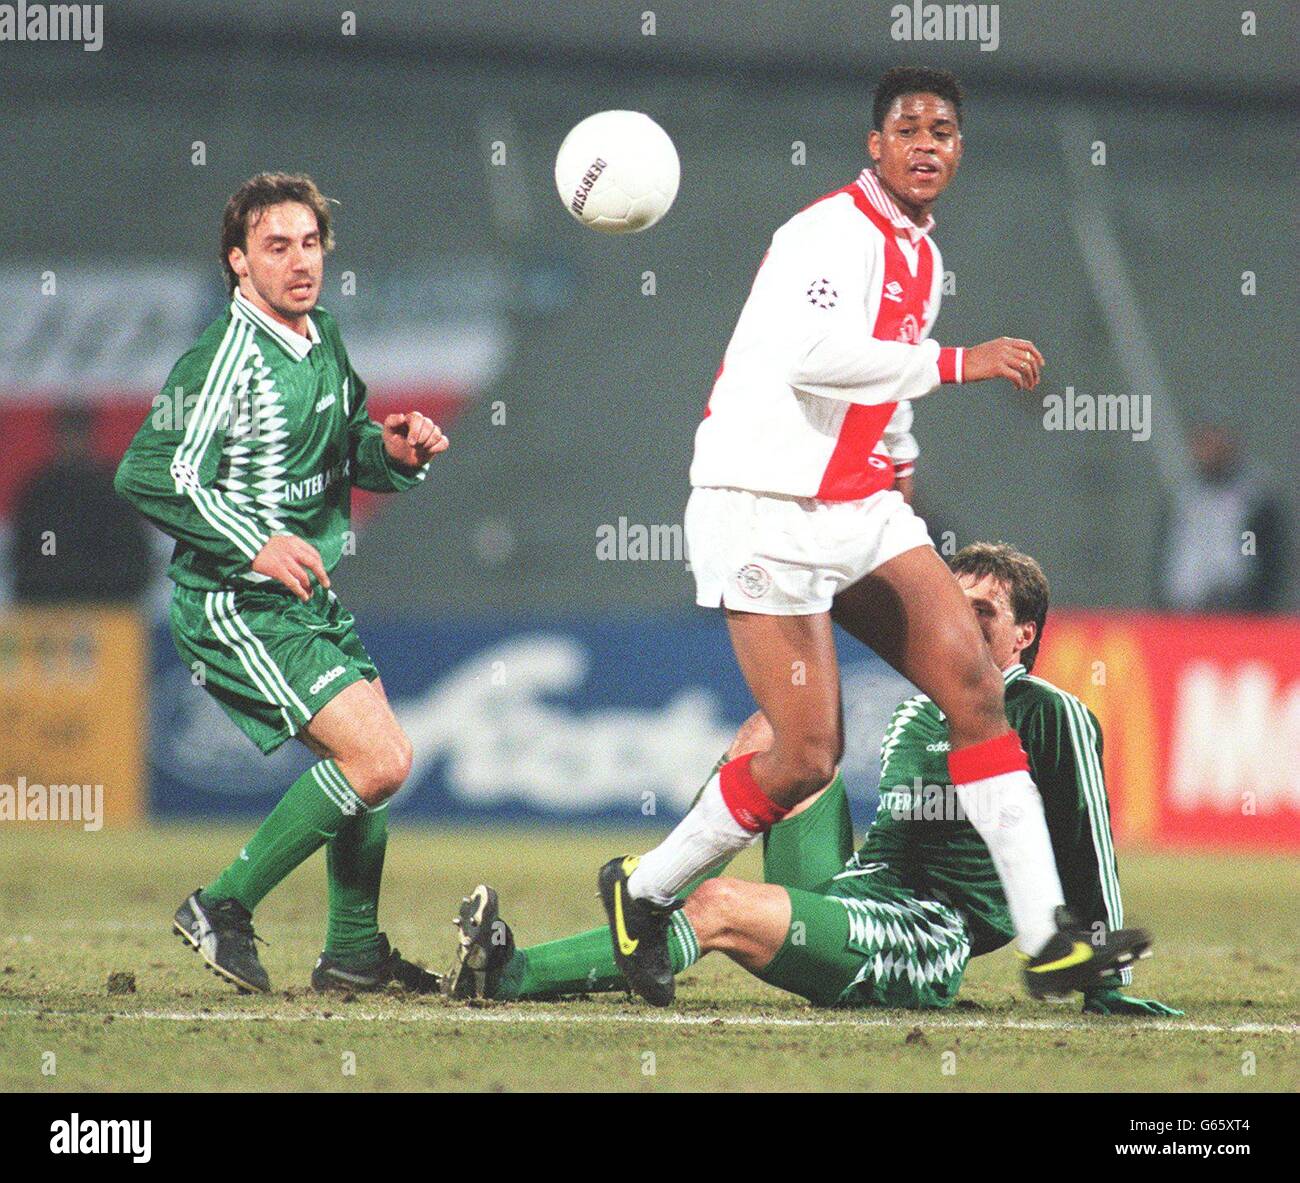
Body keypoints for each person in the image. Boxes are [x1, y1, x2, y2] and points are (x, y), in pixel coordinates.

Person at [596, 65, 1145, 1006]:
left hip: (859, 505)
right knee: (805, 753)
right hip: (762, 500)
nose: (928, 143)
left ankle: (1051, 938)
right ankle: (641, 889)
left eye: (944, 130)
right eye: (909, 128)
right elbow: (811, 359)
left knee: (977, 686)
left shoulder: (924, 255)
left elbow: (879, 389)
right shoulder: (825, 233)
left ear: (957, 151)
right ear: (876, 145)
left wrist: (896, 463)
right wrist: (959, 361)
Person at [445, 544, 1177, 1018]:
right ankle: (655, 887)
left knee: (718, 906)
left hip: (925, 933)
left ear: (1025, 635)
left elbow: (1089, 842)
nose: (958, 621)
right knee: (773, 734)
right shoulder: (919, 707)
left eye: (982, 611)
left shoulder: (1049, 712)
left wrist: (1103, 983)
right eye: (951, 605)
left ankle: (514, 970)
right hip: (857, 890)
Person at [115, 172, 449, 994]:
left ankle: (353, 953)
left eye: (310, 243)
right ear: (238, 262)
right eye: (276, 246)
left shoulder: (321, 336)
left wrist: (392, 452)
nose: (300, 261)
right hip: (235, 601)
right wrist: (254, 541)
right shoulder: (222, 356)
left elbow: (342, 449)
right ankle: (221, 904)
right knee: (380, 758)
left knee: (368, 761)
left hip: (301, 592)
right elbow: (149, 471)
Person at [10, 405, 153, 604]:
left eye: (77, 434)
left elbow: (130, 554)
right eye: (67, 435)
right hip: (48, 604)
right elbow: (34, 550)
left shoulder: (110, 489)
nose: (72, 442)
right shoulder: (41, 491)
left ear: (90, 437)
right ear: (56, 438)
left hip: (109, 603)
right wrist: (50, 573)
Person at [1158, 423, 1289, 613]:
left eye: (1215, 443)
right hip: (1184, 608)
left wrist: (1257, 599)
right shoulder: (1184, 498)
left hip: (1235, 607)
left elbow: (1259, 552)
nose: (1208, 451)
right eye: (1203, 443)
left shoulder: (1253, 497)